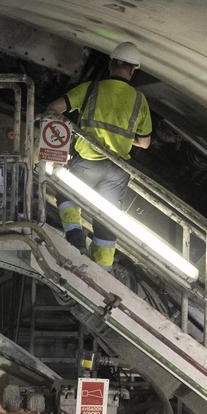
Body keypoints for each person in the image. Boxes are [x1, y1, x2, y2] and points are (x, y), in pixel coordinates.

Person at [45, 41, 152, 268]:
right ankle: (103, 267)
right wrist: (125, 138)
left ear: (111, 64)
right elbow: (144, 142)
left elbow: (53, 109)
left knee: (66, 195)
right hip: (117, 170)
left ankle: (75, 237)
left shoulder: (91, 89)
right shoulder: (139, 101)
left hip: (88, 162)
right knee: (106, 219)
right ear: (133, 71)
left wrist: (71, 128)